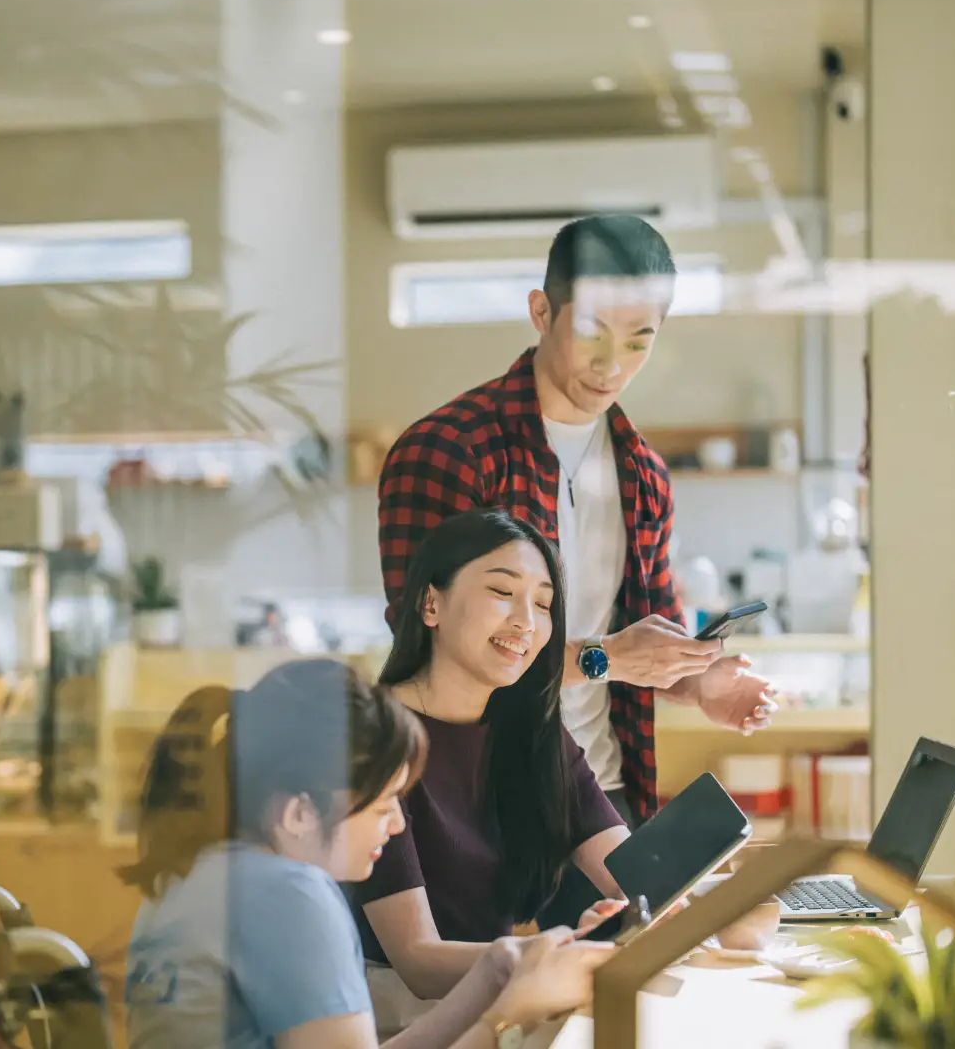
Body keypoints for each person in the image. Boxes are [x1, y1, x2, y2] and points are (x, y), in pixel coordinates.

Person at [375, 215, 777, 930]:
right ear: (542, 311)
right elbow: (436, 653)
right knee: (491, 990)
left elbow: (642, 643)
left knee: (649, 976)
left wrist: (695, 681)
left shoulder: (644, 475)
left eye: (639, 340)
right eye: (593, 332)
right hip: (478, 804)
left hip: (600, 793)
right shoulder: (447, 453)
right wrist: (608, 658)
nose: (612, 364)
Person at [122, 659, 623, 1049]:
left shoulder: (197, 874)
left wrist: (494, 974)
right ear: (299, 814)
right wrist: (515, 1015)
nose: (398, 824)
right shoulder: (288, 893)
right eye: (384, 805)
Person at [351, 510, 630, 1010]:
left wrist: (720, 899)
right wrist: (555, 953)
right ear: (431, 604)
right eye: (502, 592)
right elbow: (418, 960)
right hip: (394, 1019)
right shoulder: (375, 736)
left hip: (501, 1002)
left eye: (543, 603)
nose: (527, 621)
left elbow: (637, 873)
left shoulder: (532, 729)